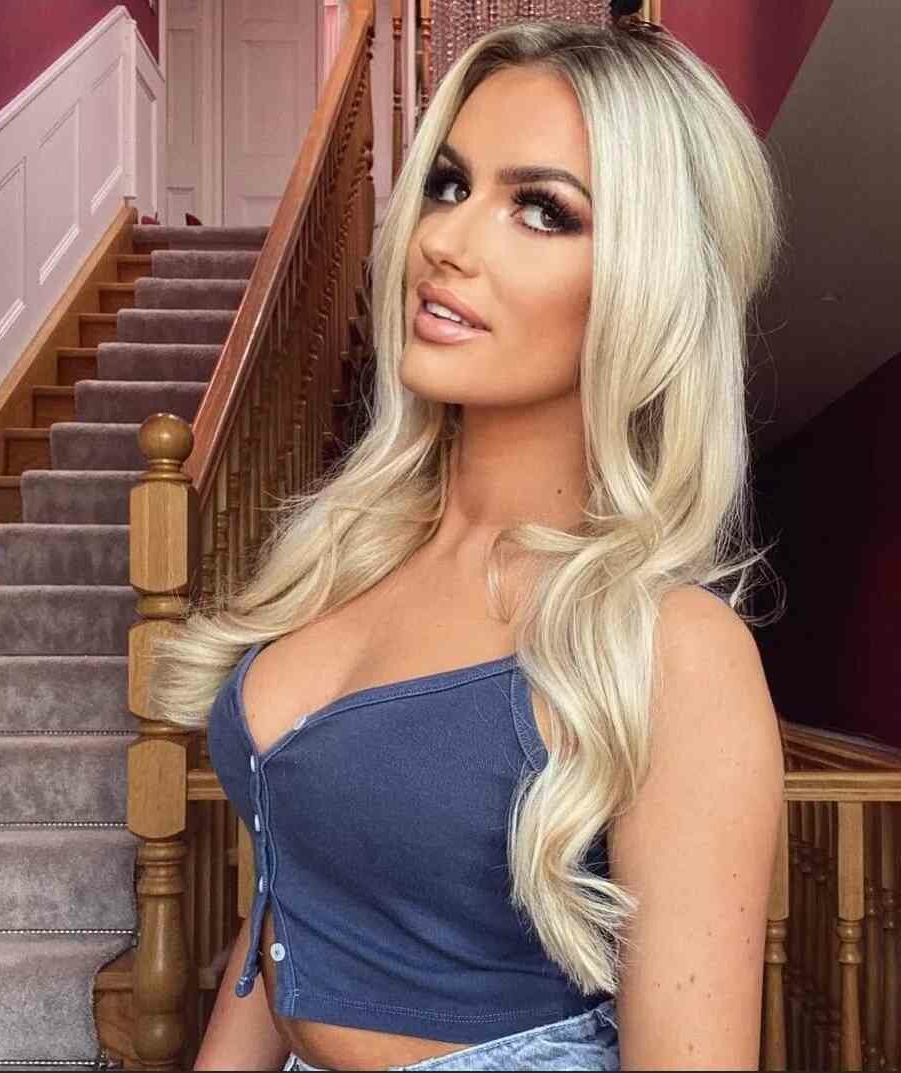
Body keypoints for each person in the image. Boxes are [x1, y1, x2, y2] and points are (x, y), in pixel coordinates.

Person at [150, 16, 786, 1072]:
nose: (443, 240)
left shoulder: (672, 647)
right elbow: (288, 914)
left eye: (541, 210)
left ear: (652, 282)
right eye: (449, 185)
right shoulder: (343, 553)